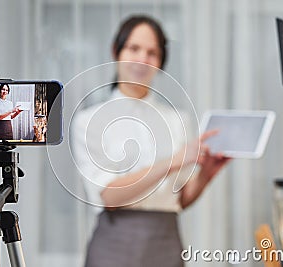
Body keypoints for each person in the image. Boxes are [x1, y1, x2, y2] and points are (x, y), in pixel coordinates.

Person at [71, 15, 231, 267]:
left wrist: (206, 175)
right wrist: (173, 162)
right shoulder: (89, 120)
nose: (142, 60)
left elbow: (181, 199)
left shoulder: (178, 120)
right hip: (114, 244)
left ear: (160, 62)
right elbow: (110, 197)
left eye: (152, 53)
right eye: (134, 49)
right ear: (116, 51)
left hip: (166, 241)